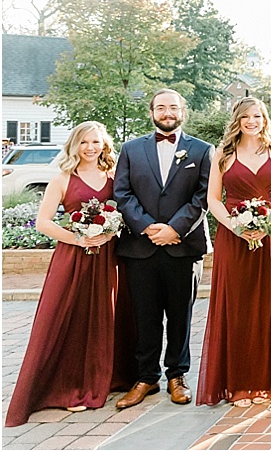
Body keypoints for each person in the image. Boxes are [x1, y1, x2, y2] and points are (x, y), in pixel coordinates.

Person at [6, 122, 137, 426]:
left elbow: (125, 213)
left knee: (107, 316)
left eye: (96, 142)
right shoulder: (62, 179)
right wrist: (79, 238)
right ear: (74, 145)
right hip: (73, 258)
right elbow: (44, 222)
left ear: (105, 145)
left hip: (108, 257)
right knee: (70, 317)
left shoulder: (114, 177)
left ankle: (111, 377)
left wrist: (109, 232)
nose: (90, 148)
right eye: (84, 142)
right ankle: (68, 386)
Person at [114, 89, 212, 409]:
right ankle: (146, 377)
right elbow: (123, 193)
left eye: (173, 107)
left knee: (181, 316)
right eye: (161, 107)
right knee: (145, 316)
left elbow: (202, 197)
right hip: (140, 247)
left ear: (183, 110)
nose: (167, 112)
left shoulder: (202, 150)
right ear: (151, 112)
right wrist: (147, 227)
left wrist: (174, 229)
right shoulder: (130, 149)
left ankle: (177, 375)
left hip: (182, 246)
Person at [197, 98, 271, 407]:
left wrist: (270, 222)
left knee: (265, 307)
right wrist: (235, 226)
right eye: (246, 116)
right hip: (232, 238)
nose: (252, 121)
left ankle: (265, 382)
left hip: (267, 237)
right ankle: (237, 385)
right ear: (237, 120)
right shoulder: (223, 155)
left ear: (265, 119)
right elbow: (214, 198)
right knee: (236, 307)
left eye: (257, 116)